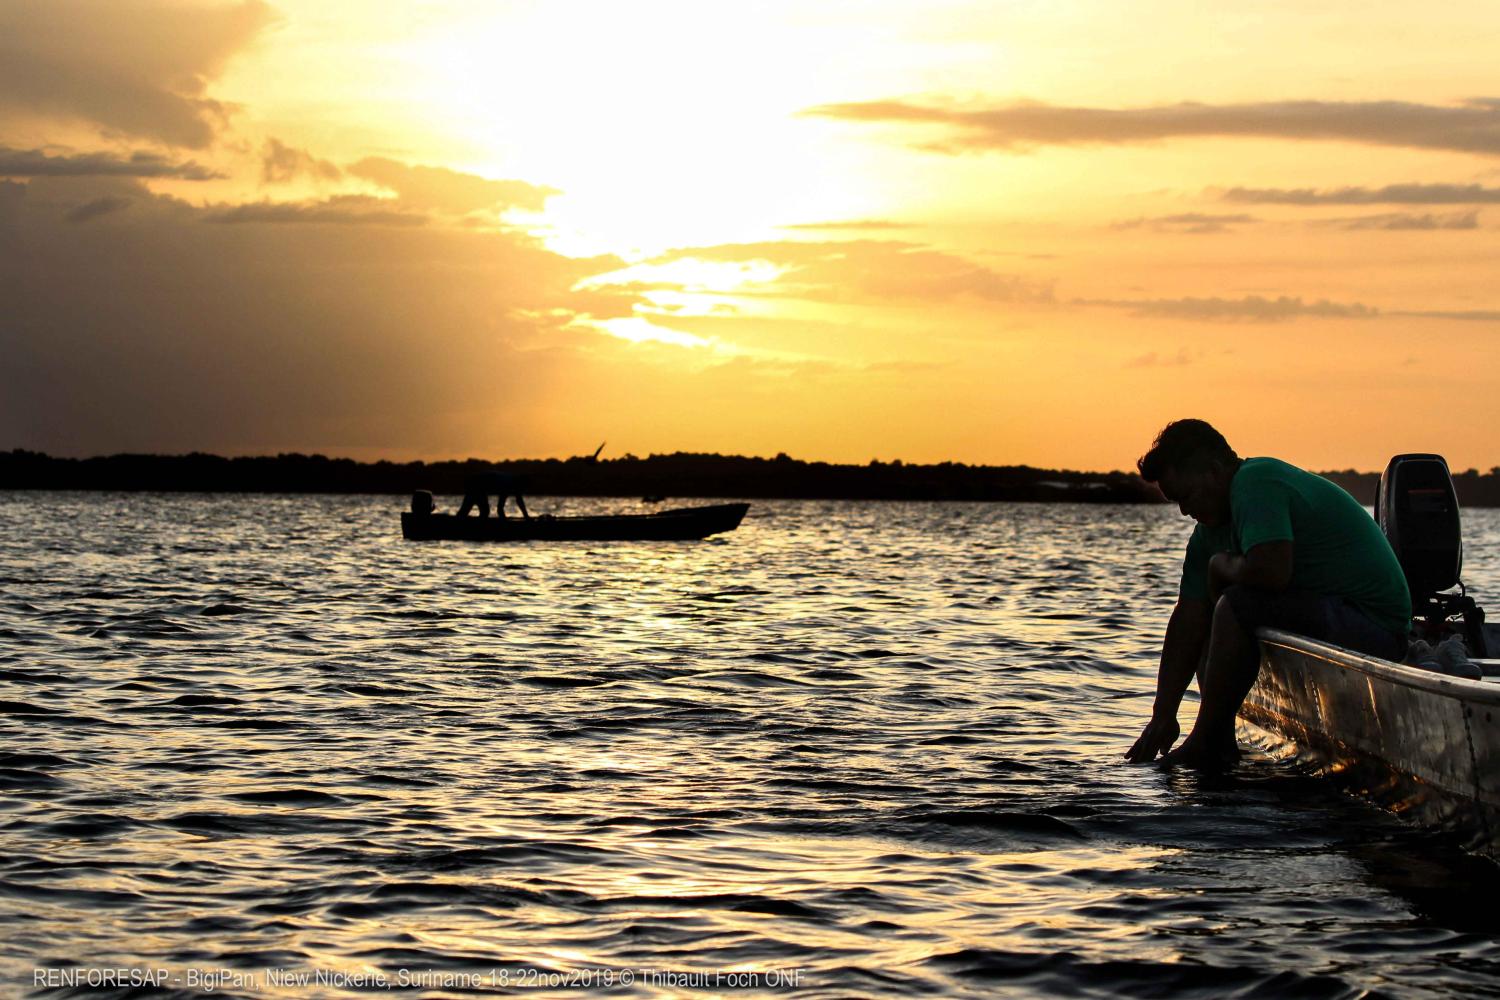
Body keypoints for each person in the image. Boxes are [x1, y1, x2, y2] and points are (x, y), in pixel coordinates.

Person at [1125, 419, 1411, 768]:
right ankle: (1217, 737)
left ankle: (1209, 738)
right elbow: (1187, 620)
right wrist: (1163, 714)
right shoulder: (1206, 535)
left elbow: (1272, 572)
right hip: (1326, 617)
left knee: (1236, 604)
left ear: (1214, 471)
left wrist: (1221, 568)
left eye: (1187, 496)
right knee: (1209, 616)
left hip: (1376, 628)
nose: (1185, 511)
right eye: (1176, 503)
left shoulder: (1255, 483)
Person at [456, 470, 531, 519]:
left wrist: (526, 516)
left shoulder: (513, 482)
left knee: (482, 512)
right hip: (476, 484)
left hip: (476, 482)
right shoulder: (507, 485)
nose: (522, 491)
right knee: (484, 512)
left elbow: (519, 501)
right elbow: (500, 509)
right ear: (520, 484)